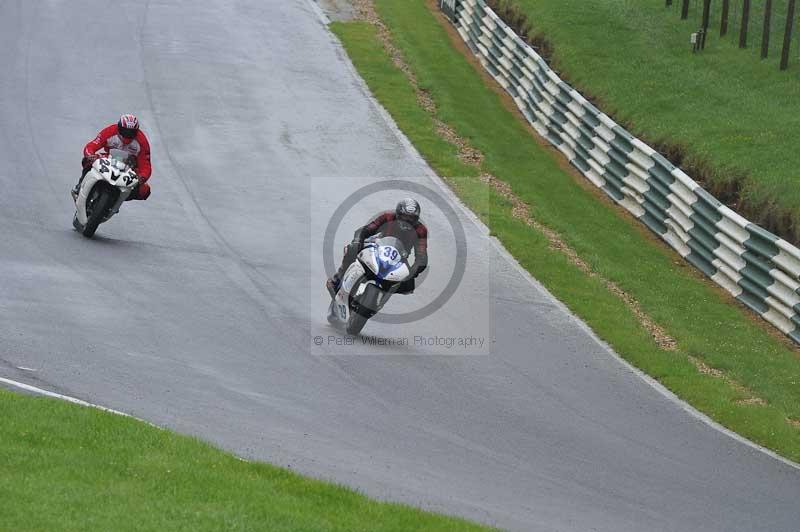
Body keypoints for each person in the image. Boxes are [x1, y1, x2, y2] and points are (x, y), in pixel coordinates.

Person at [327, 198, 428, 297]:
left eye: (411, 219)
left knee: (408, 285)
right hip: (378, 246)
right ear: (398, 214)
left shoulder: (420, 230)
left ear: (417, 219)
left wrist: (412, 271)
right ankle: (337, 280)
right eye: (405, 217)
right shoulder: (388, 217)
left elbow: (422, 255)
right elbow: (367, 229)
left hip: (399, 258)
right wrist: (358, 242)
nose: (408, 221)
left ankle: (382, 297)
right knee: (352, 248)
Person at [71, 114, 152, 201]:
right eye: (125, 131)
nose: (127, 135)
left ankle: (117, 200)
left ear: (136, 131)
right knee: (87, 161)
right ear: (119, 127)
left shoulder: (142, 141)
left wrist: (142, 177)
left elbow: (145, 164)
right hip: (109, 159)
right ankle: (79, 187)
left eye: (131, 132)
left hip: (129, 166)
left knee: (145, 190)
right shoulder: (110, 131)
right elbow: (92, 145)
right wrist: (90, 155)